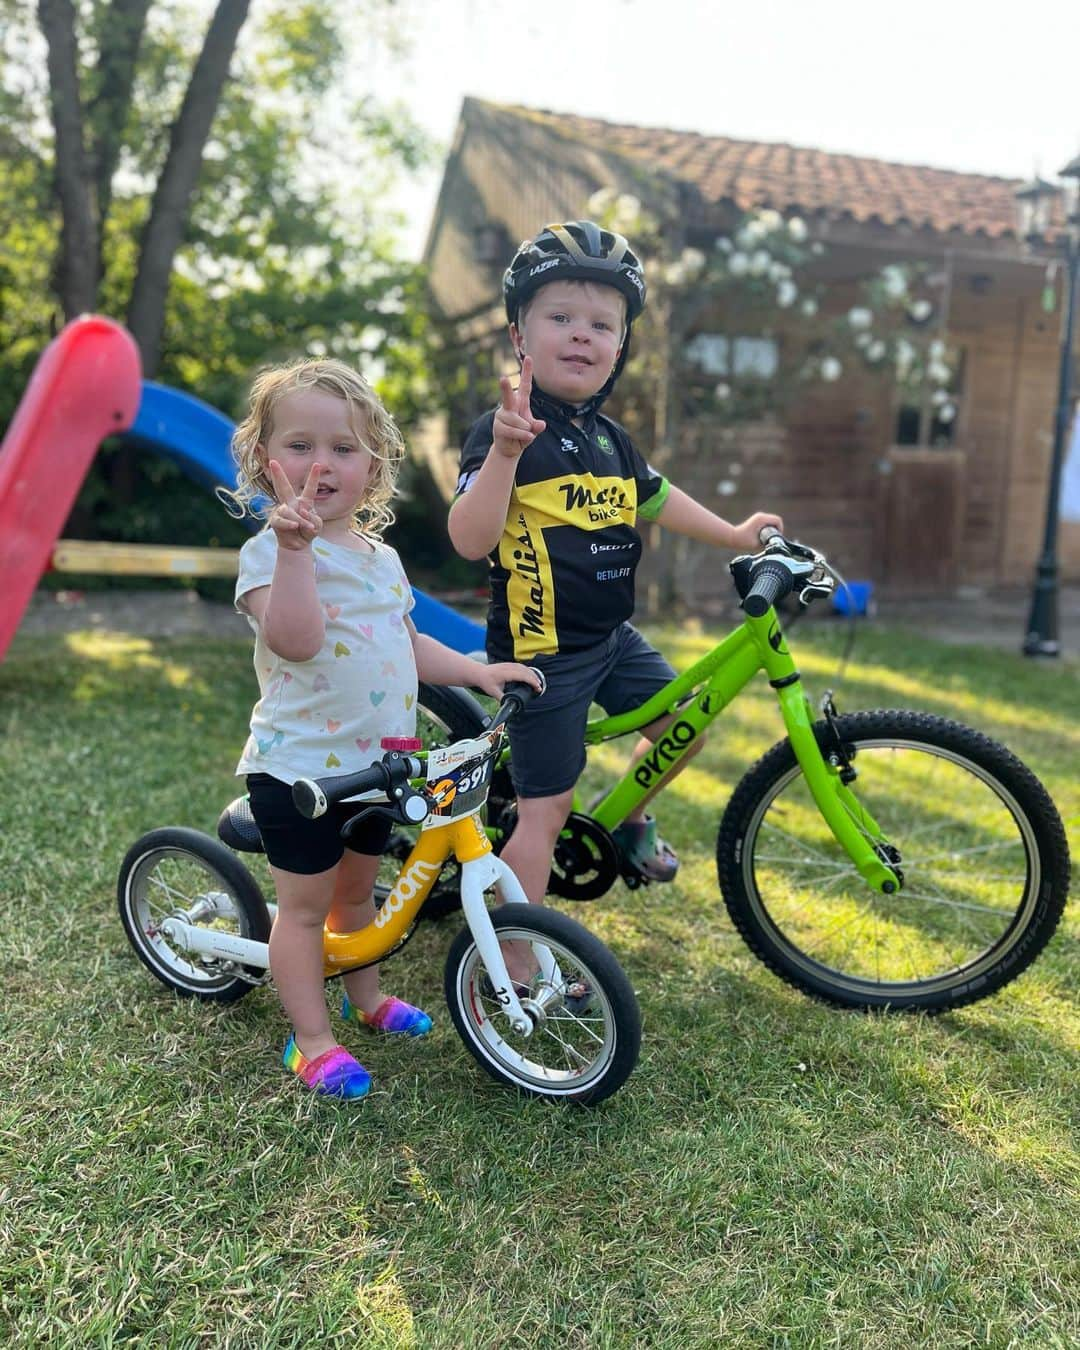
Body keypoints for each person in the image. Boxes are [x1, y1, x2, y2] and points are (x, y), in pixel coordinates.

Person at [448, 220, 782, 978]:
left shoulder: (609, 438)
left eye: (602, 324)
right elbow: (470, 538)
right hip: (542, 655)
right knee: (547, 810)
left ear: (620, 348)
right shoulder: (507, 432)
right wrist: (503, 452)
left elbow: (656, 499)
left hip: (612, 640)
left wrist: (733, 533)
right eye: (560, 318)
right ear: (519, 336)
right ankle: (515, 959)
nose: (581, 336)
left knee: (685, 728)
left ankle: (629, 819)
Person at [228, 358, 539, 1100]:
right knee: (304, 911)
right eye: (300, 446)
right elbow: (296, 639)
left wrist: (479, 671)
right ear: (265, 462)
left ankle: (364, 1001)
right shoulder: (269, 553)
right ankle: (310, 1042)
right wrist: (298, 552)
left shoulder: (382, 558)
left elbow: (405, 641)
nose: (322, 464)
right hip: (302, 773)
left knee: (358, 895)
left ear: (372, 468)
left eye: (343, 448)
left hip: (384, 766)